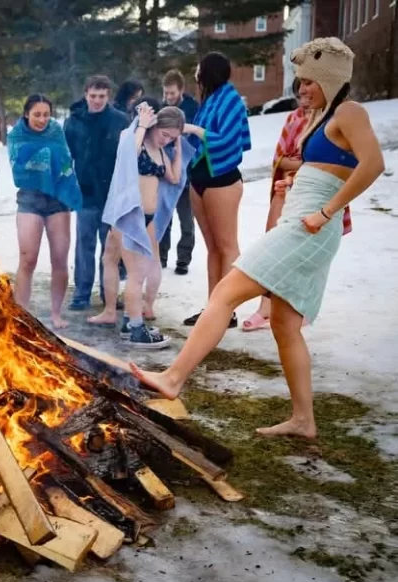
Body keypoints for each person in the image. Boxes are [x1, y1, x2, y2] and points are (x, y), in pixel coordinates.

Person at [131, 38, 384, 439]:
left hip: (310, 227)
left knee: (226, 292)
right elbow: (332, 167)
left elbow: (373, 164)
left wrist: (325, 211)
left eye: (309, 82)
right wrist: (297, 180)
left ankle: (173, 378)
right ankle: (303, 420)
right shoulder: (323, 116)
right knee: (284, 324)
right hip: (303, 219)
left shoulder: (349, 111)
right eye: (300, 82)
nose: (302, 89)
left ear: (331, 79)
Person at [90, 104, 192, 348]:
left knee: (116, 261)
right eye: (164, 134)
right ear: (155, 125)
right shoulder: (135, 139)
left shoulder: (161, 151)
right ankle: (135, 328)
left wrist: (178, 147)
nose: (166, 140)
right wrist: (143, 125)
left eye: (172, 138)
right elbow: (127, 156)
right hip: (129, 216)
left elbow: (174, 177)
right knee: (135, 273)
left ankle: (128, 321)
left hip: (147, 218)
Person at [181, 52, 251, 328]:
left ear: (208, 71)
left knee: (227, 246)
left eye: (199, 68)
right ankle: (213, 308)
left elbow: (230, 140)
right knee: (212, 249)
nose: (196, 73)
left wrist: (194, 130)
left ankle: (228, 311)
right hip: (199, 179)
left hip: (222, 180)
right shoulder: (209, 99)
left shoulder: (231, 99)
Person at [241, 78, 317, 332]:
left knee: (304, 253)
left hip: (314, 197)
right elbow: (280, 160)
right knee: (272, 247)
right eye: (299, 96)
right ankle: (265, 308)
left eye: (308, 95)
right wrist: (304, 164)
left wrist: (304, 164)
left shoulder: (328, 122)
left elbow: (331, 165)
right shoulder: (293, 119)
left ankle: (299, 307)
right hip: (285, 191)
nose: (304, 101)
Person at [9, 94, 83, 329]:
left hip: (58, 198)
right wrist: (44, 158)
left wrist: (46, 159)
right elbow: (18, 166)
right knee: (27, 258)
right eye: (37, 115)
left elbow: (65, 162)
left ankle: (56, 313)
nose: (42, 119)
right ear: (26, 114)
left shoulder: (56, 131)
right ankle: (20, 314)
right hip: (29, 199)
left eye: (46, 115)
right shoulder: (16, 135)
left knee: (59, 258)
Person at [65, 75, 130, 311]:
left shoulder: (121, 121)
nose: (97, 100)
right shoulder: (73, 122)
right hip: (85, 193)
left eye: (102, 96)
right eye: (93, 96)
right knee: (84, 246)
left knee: (110, 249)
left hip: (112, 194)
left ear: (108, 96)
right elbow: (67, 158)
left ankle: (108, 294)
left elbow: (128, 158)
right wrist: (69, 189)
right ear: (85, 95)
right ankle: (81, 294)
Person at [159, 69, 200, 275]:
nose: (168, 97)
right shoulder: (161, 110)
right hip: (166, 173)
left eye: (172, 93)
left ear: (181, 90)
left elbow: (197, 137)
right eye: (166, 93)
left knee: (186, 220)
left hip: (187, 173)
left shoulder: (193, 108)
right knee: (163, 217)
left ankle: (183, 259)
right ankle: (161, 256)